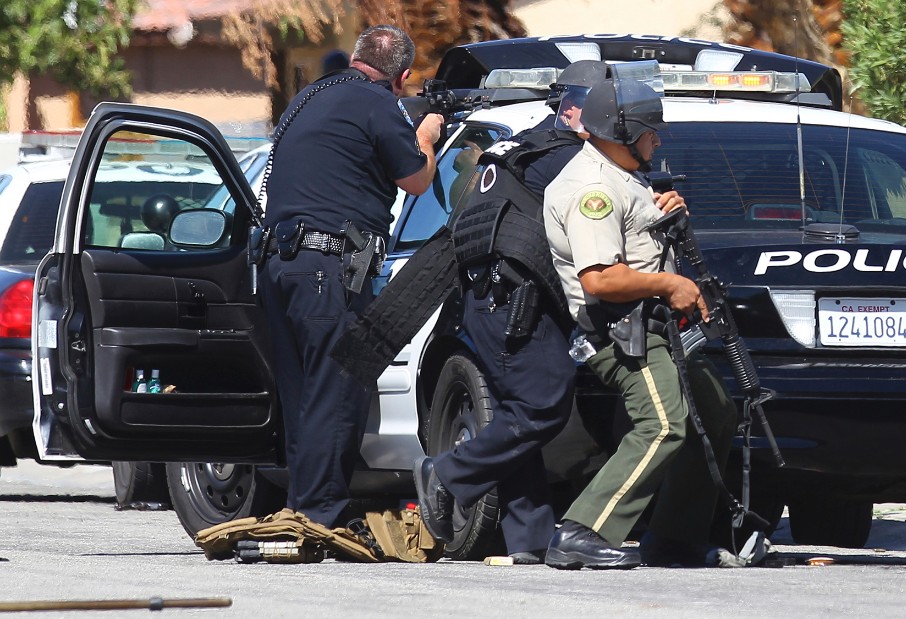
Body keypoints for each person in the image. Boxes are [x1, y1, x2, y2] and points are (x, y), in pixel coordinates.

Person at [413, 60, 611, 565]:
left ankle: (529, 537)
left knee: (515, 412)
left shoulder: (517, 146)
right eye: (603, 110)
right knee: (540, 407)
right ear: (572, 109)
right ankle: (448, 474)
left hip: (488, 300)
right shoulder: (567, 159)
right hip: (520, 304)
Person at [541, 77, 740, 570]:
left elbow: (636, 241)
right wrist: (671, 286)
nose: (658, 139)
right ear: (621, 130)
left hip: (655, 327)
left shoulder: (620, 174)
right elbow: (600, 279)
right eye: (651, 130)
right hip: (621, 332)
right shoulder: (593, 189)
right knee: (664, 424)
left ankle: (675, 539)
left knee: (713, 412)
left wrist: (664, 211)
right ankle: (581, 530)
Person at [258, 25, 443, 530]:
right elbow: (418, 180)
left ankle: (301, 504)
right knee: (336, 389)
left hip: (281, 264)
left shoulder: (308, 98)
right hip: (327, 268)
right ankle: (319, 515)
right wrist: (425, 135)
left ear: (357, 57)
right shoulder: (377, 103)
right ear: (401, 77)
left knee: (304, 394)